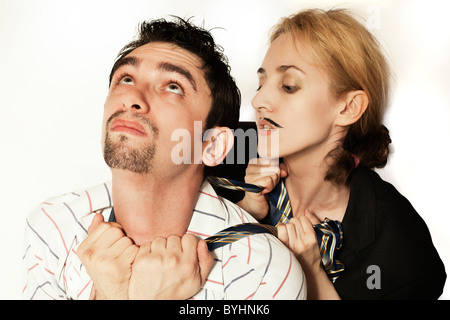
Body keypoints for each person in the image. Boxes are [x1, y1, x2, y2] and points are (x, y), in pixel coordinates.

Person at [22, 17, 306, 300]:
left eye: (172, 86)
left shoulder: (261, 269)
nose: (132, 98)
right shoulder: (52, 226)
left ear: (212, 145)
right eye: (126, 79)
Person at [236, 9, 446, 299]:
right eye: (261, 83)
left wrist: (310, 271)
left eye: (289, 86)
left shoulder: (401, 244)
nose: (258, 100)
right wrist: (238, 212)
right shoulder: (224, 152)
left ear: (349, 108)